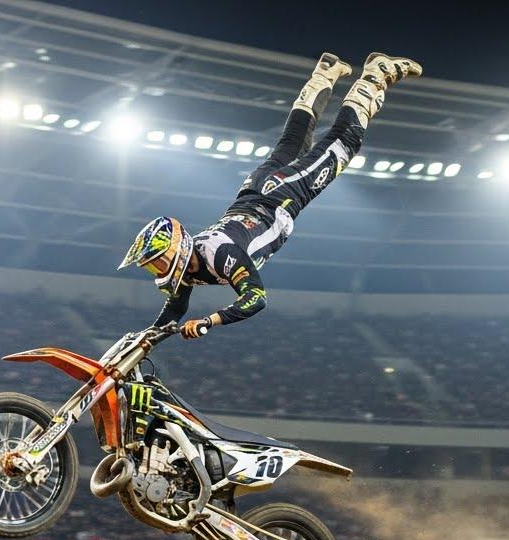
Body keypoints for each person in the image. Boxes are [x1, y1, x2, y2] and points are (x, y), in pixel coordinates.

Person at [118, 52, 421, 338]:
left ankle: (375, 76)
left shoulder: (221, 255)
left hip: (278, 196)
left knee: (342, 144)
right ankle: (324, 73)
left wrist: (209, 321)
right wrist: (145, 338)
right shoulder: (188, 267)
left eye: (158, 262)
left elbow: (256, 297)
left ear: (178, 249)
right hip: (254, 192)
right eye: (152, 265)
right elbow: (175, 309)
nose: (157, 270)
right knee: (293, 142)